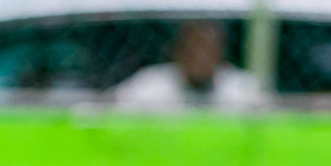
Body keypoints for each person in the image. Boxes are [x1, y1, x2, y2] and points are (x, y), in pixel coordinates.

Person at [113, 21, 265, 111]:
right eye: (194, 49)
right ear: (178, 52)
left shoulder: (241, 88)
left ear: (221, 55)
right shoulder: (149, 86)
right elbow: (108, 109)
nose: (201, 57)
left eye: (208, 49)